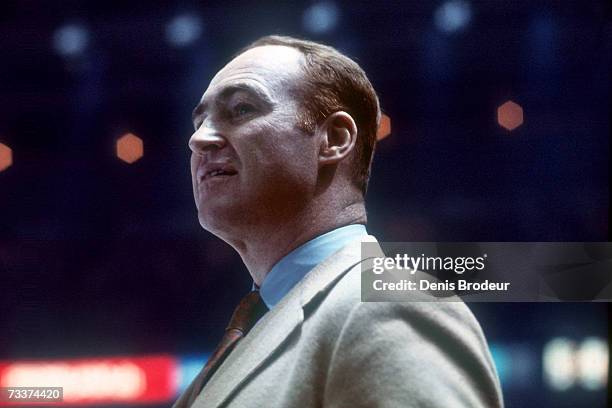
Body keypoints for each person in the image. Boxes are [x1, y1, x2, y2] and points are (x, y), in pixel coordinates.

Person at [174, 35, 503, 408]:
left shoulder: (390, 304)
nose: (199, 139)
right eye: (199, 121)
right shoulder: (259, 327)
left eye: (242, 109)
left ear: (333, 139)